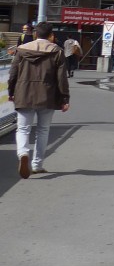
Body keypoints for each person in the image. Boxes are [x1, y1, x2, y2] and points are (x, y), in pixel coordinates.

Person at [10, 21, 70, 178]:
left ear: (35, 34)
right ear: (51, 36)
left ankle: (23, 153)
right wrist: (65, 98)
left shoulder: (22, 50)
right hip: (47, 95)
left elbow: (13, 73)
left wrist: (11, 91)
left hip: (24, 93)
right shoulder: (57, 51)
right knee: (43, 130)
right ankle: (37, 165)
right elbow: (61, 78)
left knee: (23, 129)